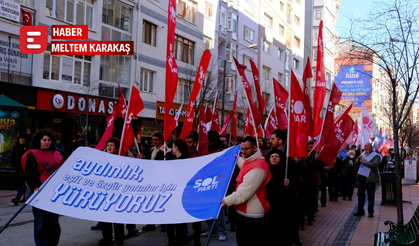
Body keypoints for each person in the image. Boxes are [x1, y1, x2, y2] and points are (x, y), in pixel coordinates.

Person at [220, 136, 271, 246]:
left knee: (248, 242)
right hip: (246, 211)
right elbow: (246, 167)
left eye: (246, 149)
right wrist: (238, 159)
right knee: (242, 240)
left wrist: (226, 201)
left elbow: (244, 192)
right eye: (242, 149)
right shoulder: (253, 161)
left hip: (252, 215)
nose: (243, 152)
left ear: (255, 148)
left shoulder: (258, 168)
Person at [23, 130, 64, 246]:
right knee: (41, 222)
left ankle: (52, 243)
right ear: (39, 141)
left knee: (53, 222)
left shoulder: (57, 154)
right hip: (39, 192)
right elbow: (30, 175)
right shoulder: (32, 154)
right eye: (44, 140)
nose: (47, 142)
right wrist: (35, 187)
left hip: (54, 192)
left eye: (49, 140)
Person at [98, 137, 126, 246]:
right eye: (108, 145)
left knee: (117, 215)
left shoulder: (121, 159)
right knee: (105, 215)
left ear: (117, 148)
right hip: (105, 190)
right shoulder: (102, 158)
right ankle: (107, 237)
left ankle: (119, 238)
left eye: (112, 145)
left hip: (117, 191)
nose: (109, 147)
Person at [265, 148, 293, 246]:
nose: (274, 158)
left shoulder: (287, 172)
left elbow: (294, 190)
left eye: (277, 156)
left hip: (283, 207)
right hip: (268, 206)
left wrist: (288, 185)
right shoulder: (265, 172)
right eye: (272, 156)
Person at [166, 139, 189, 246]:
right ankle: (171, 241)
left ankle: (181, 240)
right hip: (171, 194)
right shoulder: (171, 159)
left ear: (177, 147)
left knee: (180, 220)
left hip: (181, 194)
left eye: (173, 146)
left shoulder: (186, 161)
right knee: (170, 220)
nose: (172, 149)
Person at [353, 142, 381, 217]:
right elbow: (356, 163)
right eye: (365, 146)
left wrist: (363, 162)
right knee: (360, 195)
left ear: (371, 147)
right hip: (362, 178)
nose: (366, 148)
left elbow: (374, 165)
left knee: (370, 196)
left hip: (370, 179)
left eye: (367, 146)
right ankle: (360, 210)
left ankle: (370, 212)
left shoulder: (375, 155)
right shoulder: (363, 154)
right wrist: (358, 160)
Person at [11, 132, 29, 205]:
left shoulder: (28, 147)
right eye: (20, 138)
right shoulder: (17, 146)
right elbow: (13, 155)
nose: (21, 140)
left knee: (21, 183)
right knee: (21, 183)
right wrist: (13, 163)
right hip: (18, 168)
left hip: (24, 169)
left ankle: (17, 198)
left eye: (23, 139)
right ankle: (25, 197)